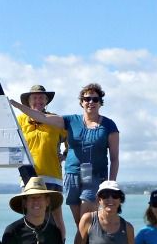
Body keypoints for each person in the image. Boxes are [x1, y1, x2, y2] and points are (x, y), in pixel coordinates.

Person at [10, 82, 119, 225]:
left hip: (85, 175)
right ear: (81, 102)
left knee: (82, 219)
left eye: (95, 99)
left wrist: (110, 183)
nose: (90, 102)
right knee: (80, 222)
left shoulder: (107, 125)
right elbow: (39, 119)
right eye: (87, 99)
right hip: (64, 175)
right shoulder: (70, 120)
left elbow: (114, 158)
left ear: (100, 102)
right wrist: (14, 105)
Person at [15, 85, 68, 239]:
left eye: (41, 97)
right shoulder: (20, 120)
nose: (38, 100)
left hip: (52, 175)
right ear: (29, 101)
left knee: (56, 218)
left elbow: (73, 139)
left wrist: (65, 154)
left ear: (46, 101)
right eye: (35, 97)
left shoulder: (55, 119)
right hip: (28, 176)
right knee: (30, 217)